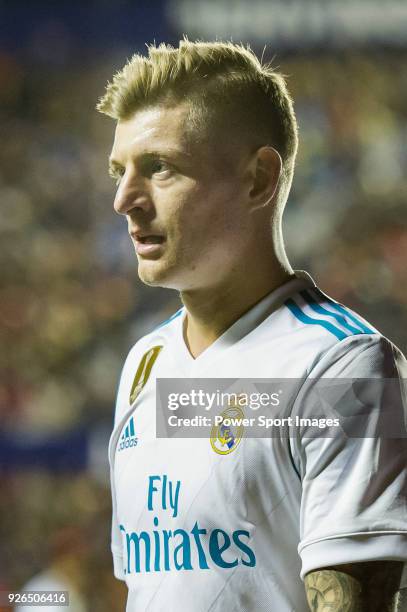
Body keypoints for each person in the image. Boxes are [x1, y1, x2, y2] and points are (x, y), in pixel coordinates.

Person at [97, 40, 407, 611]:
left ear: (259, 178)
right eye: (120, 171)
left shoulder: (341, 365)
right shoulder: (145, 367)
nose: (124, 199)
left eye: (159, 167)